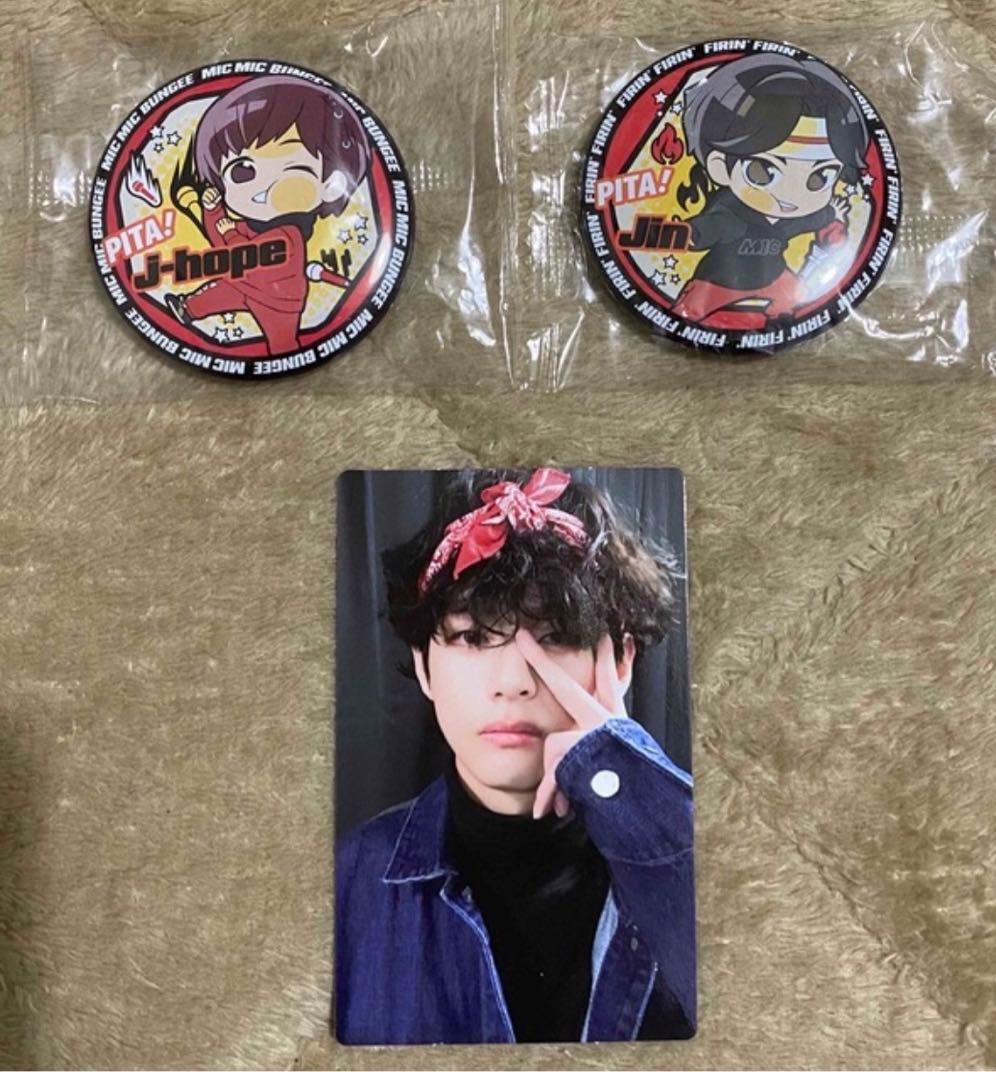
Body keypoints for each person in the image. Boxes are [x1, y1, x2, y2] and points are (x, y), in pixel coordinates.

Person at [334, 468, 696, 1044]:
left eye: (555, 635)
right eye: (473, 638)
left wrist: (638, 796)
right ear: (424, 666)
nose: (512, 682)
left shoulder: (709, 849)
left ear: (620, 661)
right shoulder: (346, 881)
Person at [165, 75, 370, 355]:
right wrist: (212, 211)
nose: (261, 187)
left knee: (282, 344)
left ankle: (286, 355)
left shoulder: (289, 236)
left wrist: (227, 230)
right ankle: (187, 309)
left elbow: (244, 252)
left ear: (331, 185)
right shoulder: (250, 225)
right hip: (243, 285)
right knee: (216, 293)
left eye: (292, 169)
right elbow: (222, 247)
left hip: (279, 303)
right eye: (242, 170)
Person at [671, 53, 870, 330]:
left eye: (820, 177)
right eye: (763, 170)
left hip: (775, 278)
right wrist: (680, 234)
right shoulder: (730, 216)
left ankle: (781, 320)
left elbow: (819, 219)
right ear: (719, 167)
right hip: (717, 283)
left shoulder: (795, 217)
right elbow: (704, 230)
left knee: (793, 299)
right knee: (685, 316)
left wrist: (832, 224)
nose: (792, 193)